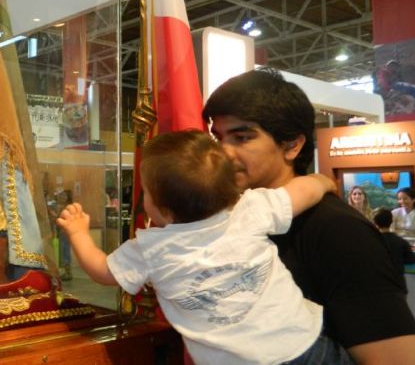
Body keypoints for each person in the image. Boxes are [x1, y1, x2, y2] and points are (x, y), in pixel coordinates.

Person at [58, 130, 347, 364]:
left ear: (164, 211)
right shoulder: (250, 209)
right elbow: (303, 191)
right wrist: (323, 181)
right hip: (303, 345)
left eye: (145, 191)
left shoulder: (151, 248)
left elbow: (102, 271)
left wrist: (79, 232)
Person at [203, 69, 415, 364]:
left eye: (242, 137)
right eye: (218, 138)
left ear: (292, 145)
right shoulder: (232, 216)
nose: (223, 153)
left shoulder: (336, 229)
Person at [373, 208, 415, 291]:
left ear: (375, 222)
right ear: (391, 221)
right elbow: (412, 259)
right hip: (398, 284)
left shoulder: (371, 241)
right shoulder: (401, 241)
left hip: (378, 285)